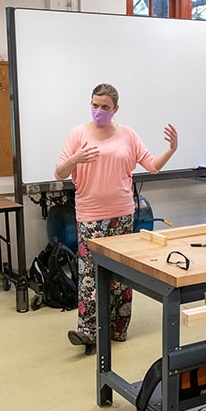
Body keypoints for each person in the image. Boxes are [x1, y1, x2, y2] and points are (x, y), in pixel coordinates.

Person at [55, 83, 177, 354]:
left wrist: (172, 149)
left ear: (116, 109)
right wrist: (75, 158)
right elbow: (59, 173)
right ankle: (87, 331)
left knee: (121, 273)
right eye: (95, 105)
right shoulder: (78, 134)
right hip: (89, 215)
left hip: (122, 214)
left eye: (105, 107)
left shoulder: (128, 135)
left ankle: (117, 327)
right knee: (89, 274)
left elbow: (152, 166)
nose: (99, 111)